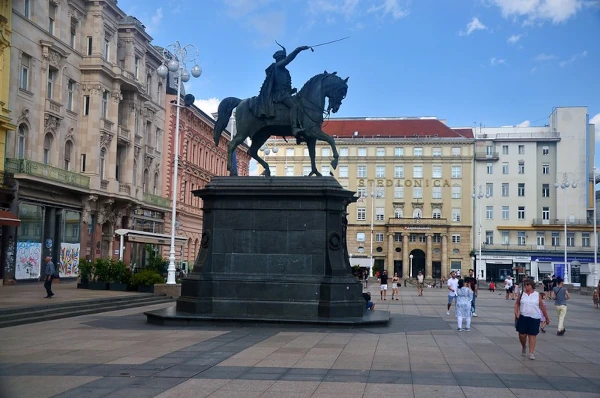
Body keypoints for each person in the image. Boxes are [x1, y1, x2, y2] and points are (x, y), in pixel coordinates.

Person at [255, 43, 311, 138]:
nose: (284, 60)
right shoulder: (277, 66)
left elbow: (284, 85)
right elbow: (289, 59)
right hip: (279, 95)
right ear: (280, 58)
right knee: (294, 105)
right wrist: (298, 49)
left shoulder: (285, 71)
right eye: (283, 58)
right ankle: (294, 128)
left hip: (285, 94)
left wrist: (291, 90)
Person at [515, 280, 550, 360]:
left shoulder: (537, 295)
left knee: (532, 335)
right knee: (522, 335)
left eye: (527, 285)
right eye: (525, 285)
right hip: (523, 316)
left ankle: (531, 352)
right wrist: (516, 312)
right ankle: (524, 346)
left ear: (531, 285)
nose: (526, 286)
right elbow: (517, 303)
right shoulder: (521, 294)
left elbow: (542, 307)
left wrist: (547, 318)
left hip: (534, 317)